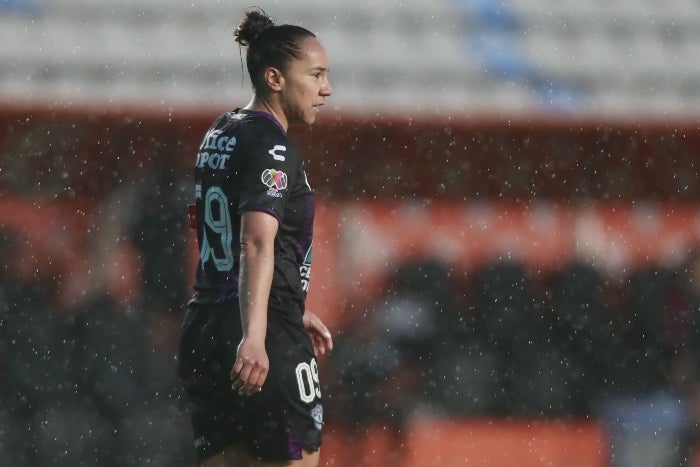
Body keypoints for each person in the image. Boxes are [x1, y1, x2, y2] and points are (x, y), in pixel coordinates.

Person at [178, 7, 334, 467]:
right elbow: (254, 241)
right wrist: (259, 328)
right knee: (300, 456)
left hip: (205, 324)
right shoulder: (274, 146)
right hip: (258, 336)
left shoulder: (221, 130)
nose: (327, 89)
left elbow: (210, 228)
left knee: (229, 459)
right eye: (317, 74)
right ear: (275, 78)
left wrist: (272, 297)